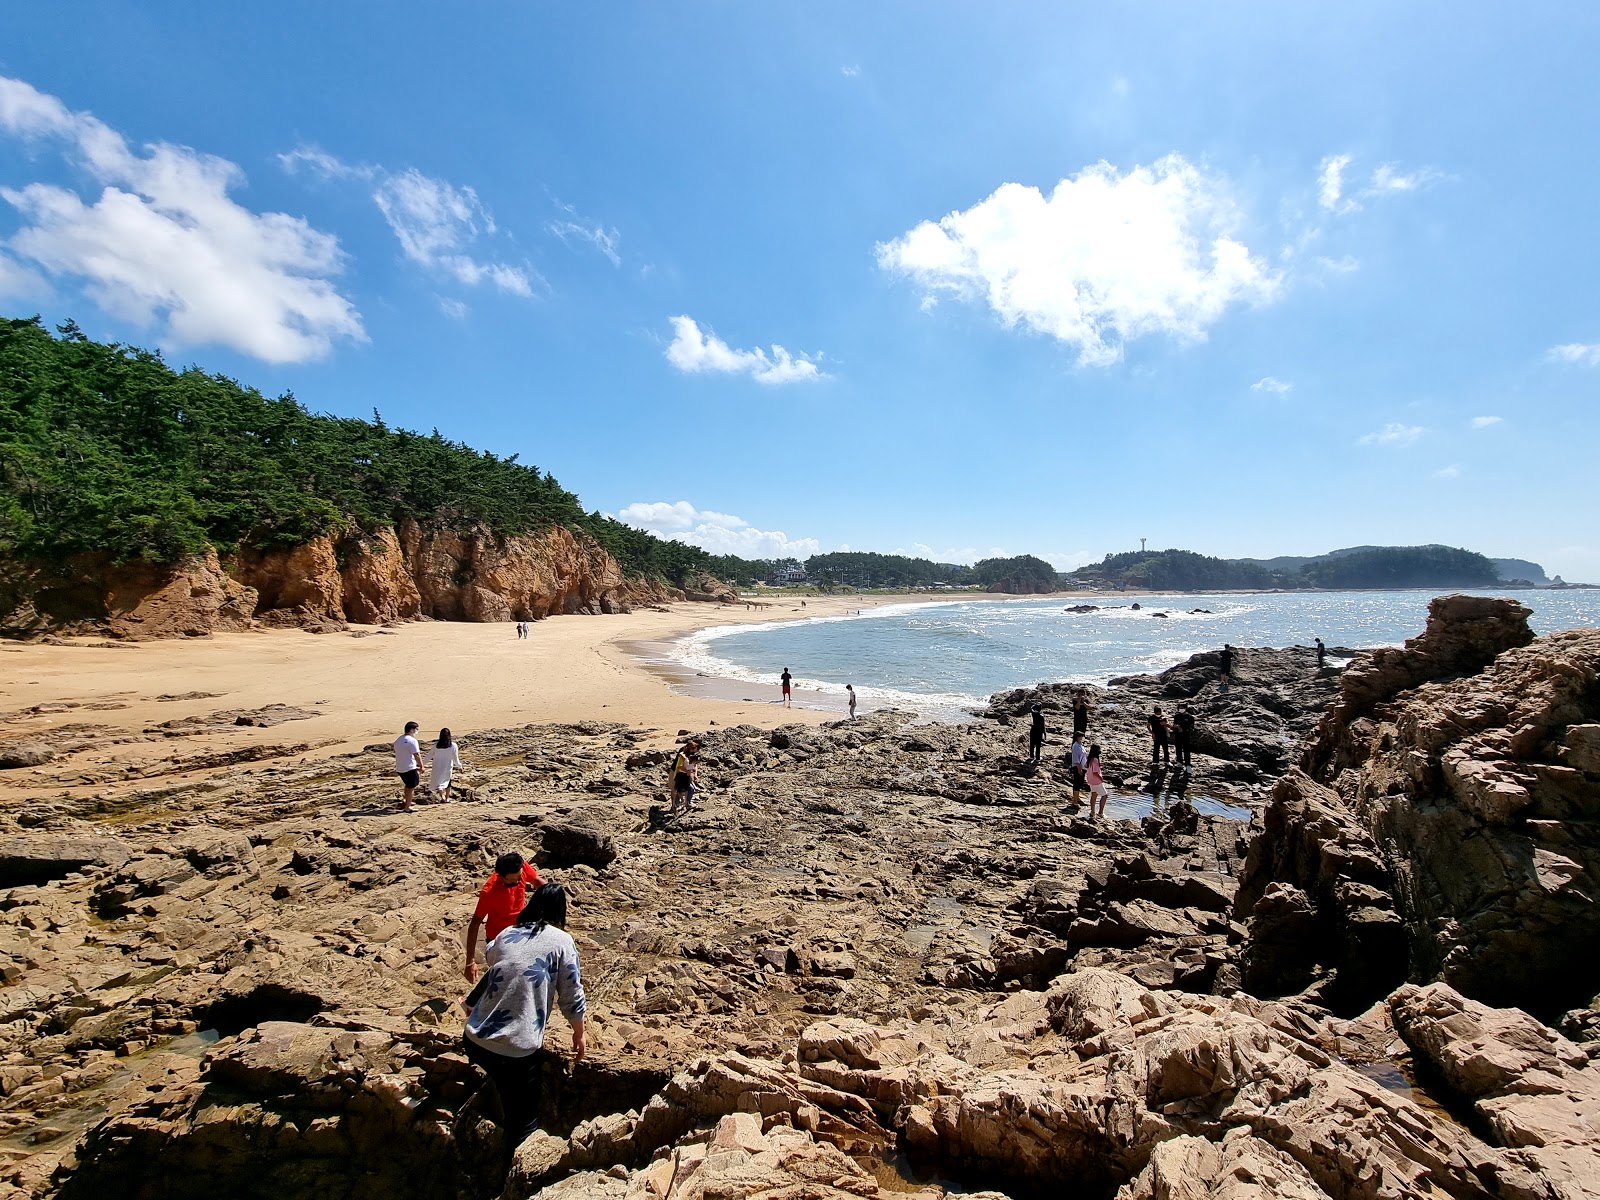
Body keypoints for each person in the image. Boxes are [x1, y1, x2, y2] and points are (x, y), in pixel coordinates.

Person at [462, 883, 586, 1164]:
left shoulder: (507, 933)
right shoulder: (562, 941)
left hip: (474, 1038)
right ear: (561, 911)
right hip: (515, 1050)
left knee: (502, 1082)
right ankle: (513, 1178)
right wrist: (579, 1033)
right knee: (525, 1125)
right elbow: (571, 993)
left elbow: (493, 955)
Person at [463, 852, 543, 982]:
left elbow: (537, 881)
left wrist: (554, 895)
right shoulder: (489, 892)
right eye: (512, 882)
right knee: (501, 978)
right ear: (500, 877)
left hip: (521, 931)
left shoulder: (520, 867)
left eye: (519, 877)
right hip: (498, 939)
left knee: (523, 974)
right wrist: (470, 962)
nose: (518, 882)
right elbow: (475, 923)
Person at [393, 721, 423, 812]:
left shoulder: (398, 740)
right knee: (411, 786)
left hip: (400, 767)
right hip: (409, 767)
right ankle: (407, 806)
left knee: (408, 785)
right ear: (412, 730)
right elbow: (417, 754)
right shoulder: (412, 740)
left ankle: (407, 801)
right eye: (416, 729)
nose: (417, 731)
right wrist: (421, 766)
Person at [430, 727, 464, 801]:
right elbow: (455, 758)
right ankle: (447, 798)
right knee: (448, 782)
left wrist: (421, 764)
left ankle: (442, 796)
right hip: (447, 767)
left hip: (437, 766)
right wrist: (460, 767)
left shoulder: (436, 745)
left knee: (439, 782)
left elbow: (429, 756)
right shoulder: (453, 745)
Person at [669, 739, 699, 813]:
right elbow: (678, 766)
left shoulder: (691, 755)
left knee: (689, 788)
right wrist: (689, 771)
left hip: (685, 774)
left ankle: (686, 803)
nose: (696, 751)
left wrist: (694, 774)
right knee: (676, 788)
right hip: (677, 773)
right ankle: (675, 805)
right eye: (695, 749)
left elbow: (694, 764)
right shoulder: (682, 755)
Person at [1086, 744, 1109, 818]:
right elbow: (1095, 772)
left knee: (1094, 795)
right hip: (1096, 780)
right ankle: (1100, 813)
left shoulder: (1090, 759)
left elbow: (1086, 767)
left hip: (1090, 780)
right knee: (1105, 795)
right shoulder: (1095, 760)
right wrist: (1101, 778)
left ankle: (1092, 812)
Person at [1173, 703, 1195, 768]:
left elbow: (1191, 727)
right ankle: (1179, 762)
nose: (1181, 709)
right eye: (1180, 708)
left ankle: (1188, 764)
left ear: (1186, 708)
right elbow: (1174, 724)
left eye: (1182, 708)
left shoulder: (1190, 717)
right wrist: (1175, 727)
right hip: (1178, 735)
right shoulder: (1176, 716)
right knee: (1178, 749)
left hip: (1186, 735)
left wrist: (1183, 730)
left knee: (1186, 750)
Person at [1069, 730, 1088, 802]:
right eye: (1081, 736)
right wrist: (1079, 768)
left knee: (1080, 783)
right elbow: (1076, 758)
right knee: (1076, 783)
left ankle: (1077, 797)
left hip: (1083, 767)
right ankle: (1075, 800)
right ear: (1077, 737)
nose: (1083, 738)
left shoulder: (1081, 746)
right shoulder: (1075, 746)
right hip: (1078, 767)